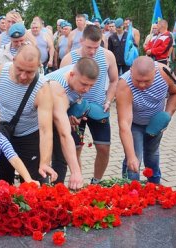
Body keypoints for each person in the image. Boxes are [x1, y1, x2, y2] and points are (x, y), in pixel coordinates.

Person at [0, 44, 58, 185]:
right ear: (13, 60)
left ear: (38, 66)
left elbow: (45, 130)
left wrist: (44, 162)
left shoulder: (42, 88)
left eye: (30, 72)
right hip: (3, 134)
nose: (23, 76)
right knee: (4, 179)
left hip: (29, 137)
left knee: (32, 181)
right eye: (19, 69)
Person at [60, 25, 119, 184]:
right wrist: (66, 113)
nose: (92, 51)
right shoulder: (69, 59)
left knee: (104, 148)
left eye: (96, 47)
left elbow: (114, 81)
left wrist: (109, 100)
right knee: (76, 149)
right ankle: (78, 182)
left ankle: (96, 182)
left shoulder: (108, 56)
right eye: (88, 47)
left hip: (99, 109)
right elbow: (61, 90)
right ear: (81, 41)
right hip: (75, 111)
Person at [116, 56, 176, 183]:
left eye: (147, 81)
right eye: (138, 80)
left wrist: (166, 116)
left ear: (155, 73)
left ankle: (155, 186)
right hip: (134, 124)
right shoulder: (124, 84)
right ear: (131, 71)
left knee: (152, 154)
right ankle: (130, 192)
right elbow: (124, 124)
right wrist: (130, 156)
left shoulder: (164, 73)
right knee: (135, 159)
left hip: (156, 123)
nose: (142, 85)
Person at [46, 57, 100, 189]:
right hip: (34, 123)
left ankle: (57, 194)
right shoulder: (58, 86)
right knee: (42, 163)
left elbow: (66, 105)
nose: (87, 89)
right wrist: (76, 172)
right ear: (71, 74)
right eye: (84, 84)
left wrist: (71, 114)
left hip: (55, 114)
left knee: (61, 159)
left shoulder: (78, 77)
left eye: (91, 86)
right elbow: (65, 134)